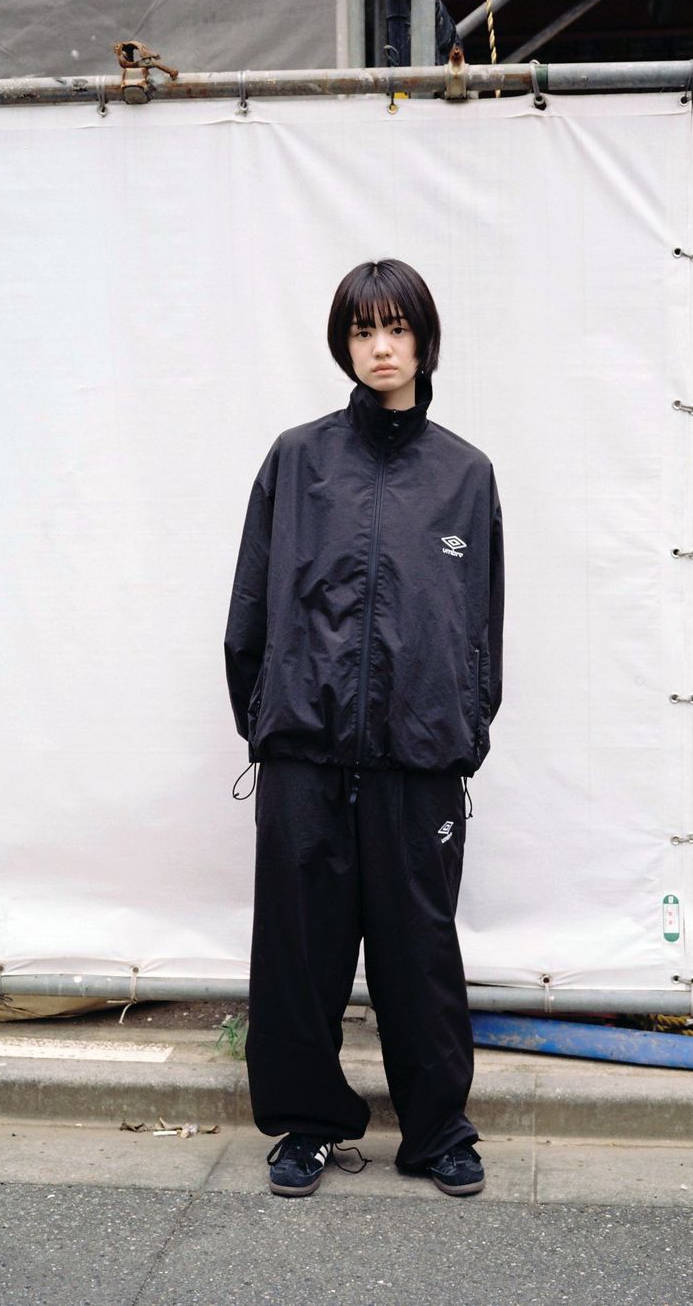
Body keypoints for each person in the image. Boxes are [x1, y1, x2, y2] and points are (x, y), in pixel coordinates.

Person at [224, 258, 505, 1198]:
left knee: (419, 952)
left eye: (396, 328)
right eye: (361, 331)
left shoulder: (464, 474)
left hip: (418, 759)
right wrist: (270, 723)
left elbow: (481, 623)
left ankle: (437, 1132)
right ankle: (308, 1124)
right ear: (343, 344)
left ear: (424, 339)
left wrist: (462, 730)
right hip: (305, 753)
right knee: (298, 953)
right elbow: (251, 606)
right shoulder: (297, 461)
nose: (380, 347)